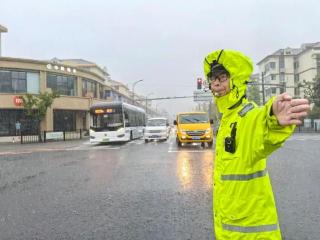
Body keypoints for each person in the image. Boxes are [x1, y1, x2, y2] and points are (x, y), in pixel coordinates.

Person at [203, 49, 310, 239]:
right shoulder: (227, 119)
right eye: (212, 78)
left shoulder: (246, 115)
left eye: (223, 77)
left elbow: (261, 124)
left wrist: (273, 117)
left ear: (236, 79)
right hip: (231, 230)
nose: (216, 83)